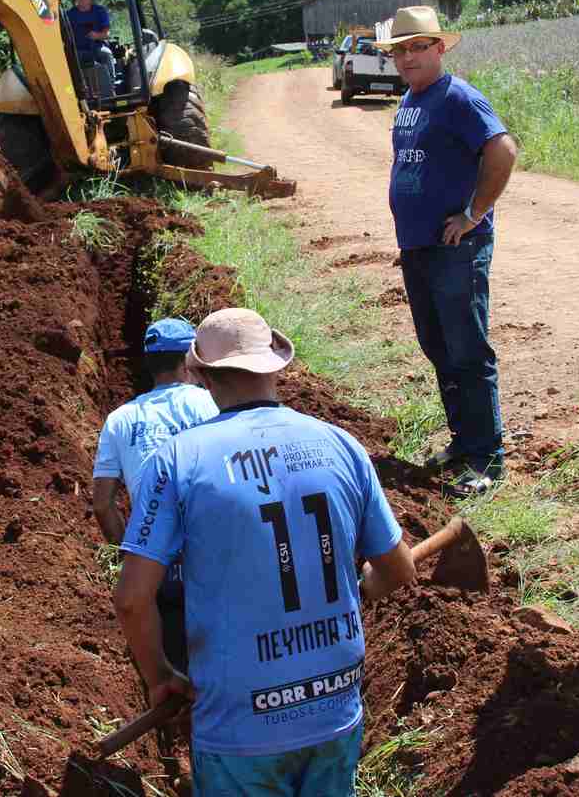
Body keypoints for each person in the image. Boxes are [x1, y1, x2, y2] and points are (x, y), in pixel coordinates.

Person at [115, 308, 417, 796]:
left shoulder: (179, 458)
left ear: (198, 373)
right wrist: (361, 587)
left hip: (240, 724)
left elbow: (132, 598)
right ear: (276, 368)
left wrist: (161, 675)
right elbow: (398, 569)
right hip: (336, 708)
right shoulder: (341, 445)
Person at [377, 6, 519, 498]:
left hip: (457, 247)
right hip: (420, 247)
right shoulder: (413, 100)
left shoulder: (458, 98)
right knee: (438, 347)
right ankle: (465, 441)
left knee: (466, 348)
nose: (409, 57)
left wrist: (474, 213)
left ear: (440, 48)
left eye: (419, 46)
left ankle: (486, 458)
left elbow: (502, 150)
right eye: (400, 49)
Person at [93, 317, 219, 674]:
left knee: (177, 658)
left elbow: (102, 504)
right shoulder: (209, 405)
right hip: (215, 553)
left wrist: (133, 553)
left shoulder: (119, 419)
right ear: (189, 361)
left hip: (158, 562)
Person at [67, 0, 116, 96]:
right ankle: (74, 94)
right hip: (78, 51)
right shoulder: (69, 15)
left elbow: (106, 34)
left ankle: (112, 87)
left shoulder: (100, 11)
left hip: (97, 47)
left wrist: (96, 35)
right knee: (68, 61)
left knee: (106, 54)